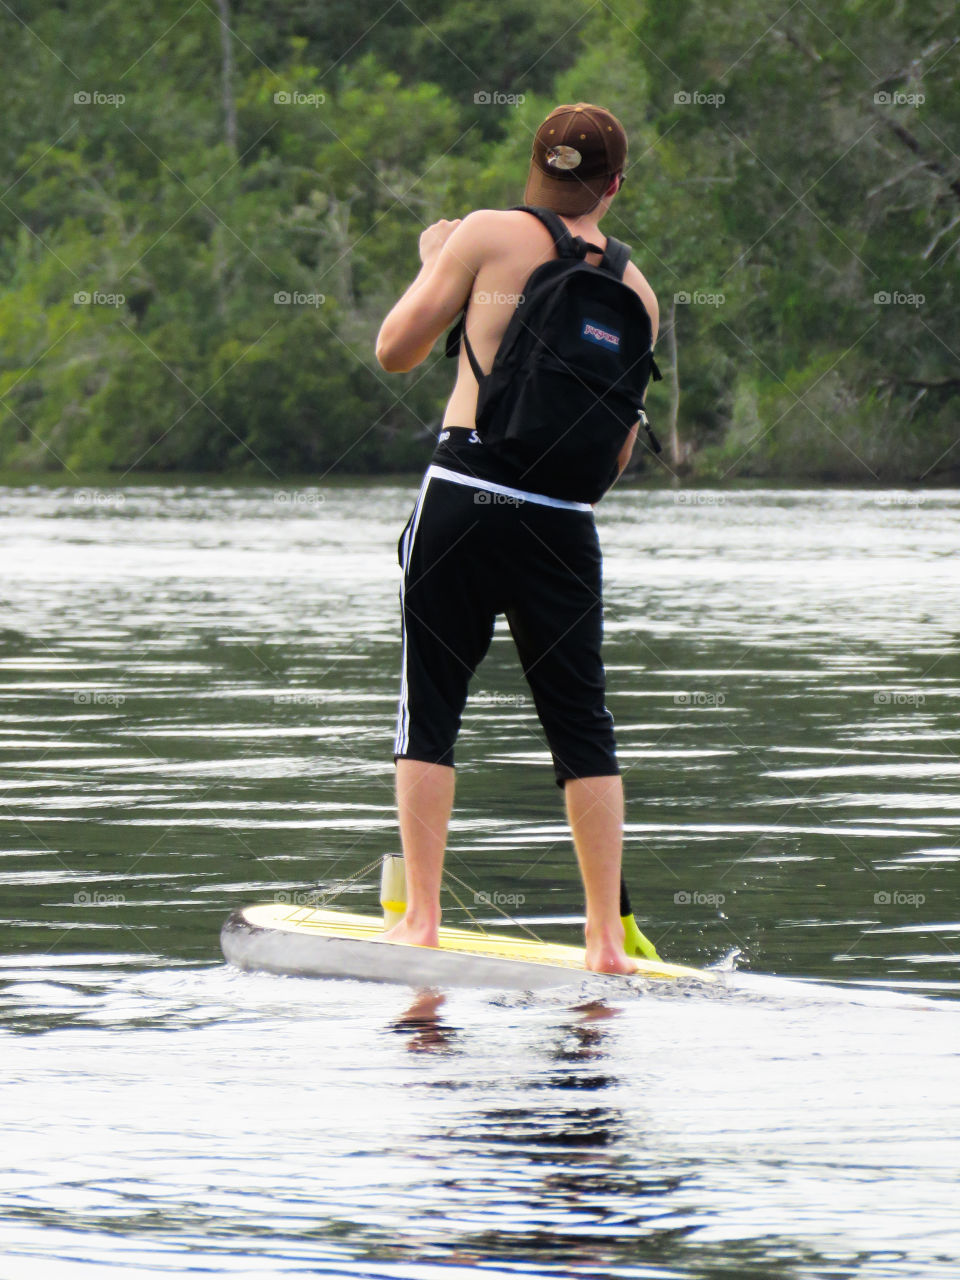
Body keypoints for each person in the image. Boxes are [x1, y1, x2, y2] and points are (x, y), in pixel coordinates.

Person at [374, 103, 658, 974]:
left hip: (465, 494)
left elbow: (395, 349)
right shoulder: (636, 291)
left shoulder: (488, 234)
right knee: (583, 726)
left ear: (538, 169)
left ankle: (421, 920)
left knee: (433, 707)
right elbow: (615, 450)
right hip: (564, 524)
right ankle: (605, 940)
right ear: (614, 187)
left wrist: (436, 260)